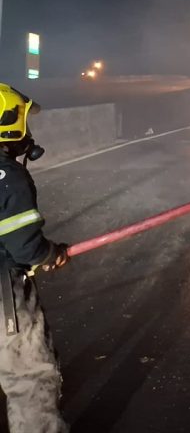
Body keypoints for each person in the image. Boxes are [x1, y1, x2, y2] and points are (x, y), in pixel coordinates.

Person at [0, 83, 70, 432]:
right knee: (30, 377)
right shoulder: (9, 177)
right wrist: (49, 254)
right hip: (4, 292)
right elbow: (25, 245)